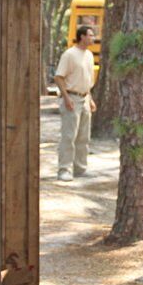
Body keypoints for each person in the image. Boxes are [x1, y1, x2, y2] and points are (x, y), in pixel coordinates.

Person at [53, 25, 97, 181]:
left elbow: (88, 80)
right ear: (82, 37)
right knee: (69, 136)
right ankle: (64, 170)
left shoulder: (89, 55)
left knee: (84, 136)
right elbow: (59, 77)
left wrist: (90, 100)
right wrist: (66, 98)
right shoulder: (69, 54)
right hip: (71, 98)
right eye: (90, 35)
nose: (93, 38)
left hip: (84, 98)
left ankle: (80, 168)